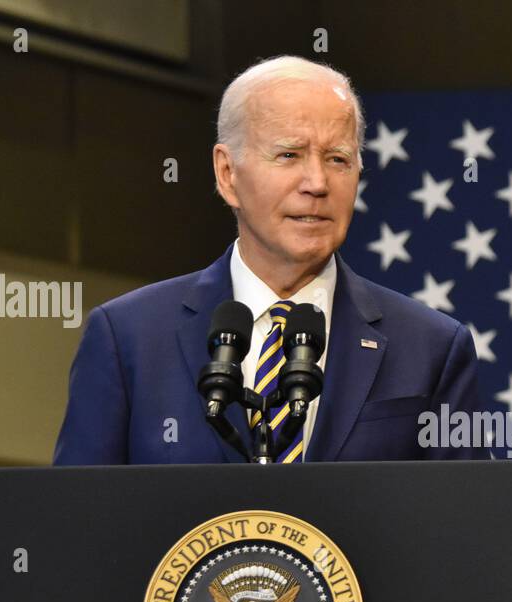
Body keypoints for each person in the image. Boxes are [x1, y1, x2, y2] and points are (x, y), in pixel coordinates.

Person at [53, 55, 484, 465]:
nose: (317, 183)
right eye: (289, 155)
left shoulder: (431, 349)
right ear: (227, 174)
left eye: (338, 159)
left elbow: (465, 527)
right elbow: (75, 522)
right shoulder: (128, 338)